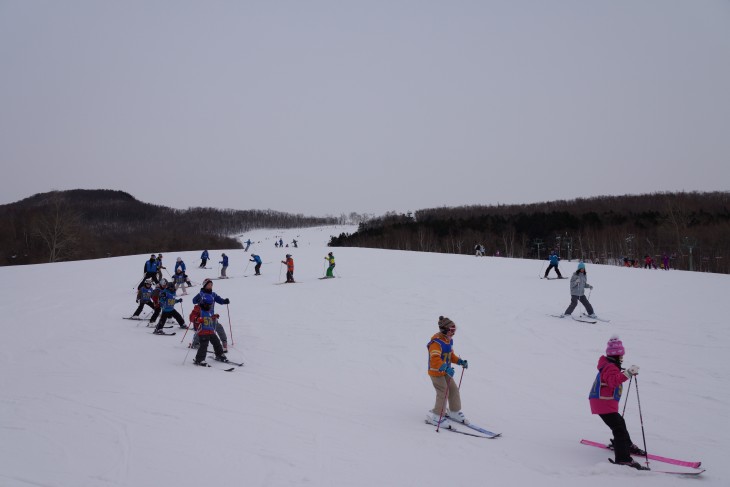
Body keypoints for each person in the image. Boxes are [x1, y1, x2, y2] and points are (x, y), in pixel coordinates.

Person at [589, 336, 644, 469]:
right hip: (603, 404)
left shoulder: (609, 366)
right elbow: (613, 381)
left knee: (620, 423)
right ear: (616, 356)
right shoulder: (610, 367)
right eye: (621, 357)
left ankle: (626, 445)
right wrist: (628, 373)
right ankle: (623, 458)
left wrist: (626, 372)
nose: (622, 359)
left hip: (603, 402)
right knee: (619, 429)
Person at [426, 316, 469, 425]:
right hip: (436, 372)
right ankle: (436, 415)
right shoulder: (436, 343)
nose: (453, 333)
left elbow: (450, 356)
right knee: (444, 391)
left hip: (445, 371)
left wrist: (460, 361)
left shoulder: (448, 341)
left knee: (453, 389)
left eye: (454, 330)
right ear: (444, 330)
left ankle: (454, 411)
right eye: (451, 330)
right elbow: (434, 359)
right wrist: (445, 367)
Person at [192, 278, 231, 352]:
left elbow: (220, 300)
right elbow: (193, 301)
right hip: (202, 316)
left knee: (219, 327)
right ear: (205, 285)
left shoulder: (213, 294)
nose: (210, 286)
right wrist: (198, 300)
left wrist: (224, 301)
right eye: (209, 285)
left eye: (211, 285)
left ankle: (224, 342)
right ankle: (195, 343)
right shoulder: (201, 294)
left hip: (211, 316)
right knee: (200, 329)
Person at [191, 295, 228, 366]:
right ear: (203, 303)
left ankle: (219, 355)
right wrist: (197, 319)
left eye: (210, 304)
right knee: (204, 345)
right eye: (208, 304)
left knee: (217, 343)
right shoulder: (198, 309)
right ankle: (199, 359)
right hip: (202, 331)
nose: (209, 306)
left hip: (210, 331)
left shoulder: (209, 311)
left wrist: (214, 317)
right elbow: (191, 317)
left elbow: (208, 318)